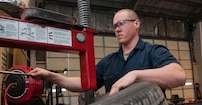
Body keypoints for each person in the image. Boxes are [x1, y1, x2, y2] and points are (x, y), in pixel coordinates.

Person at [29, 9, 186, 96]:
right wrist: (50, 75)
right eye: (115, 26)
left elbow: (179, 76)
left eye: (121, 23)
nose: (117, 29)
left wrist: (136, 75)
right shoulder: (109, 62)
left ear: (136, 23)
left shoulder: (153, 52)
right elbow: (84, 84)